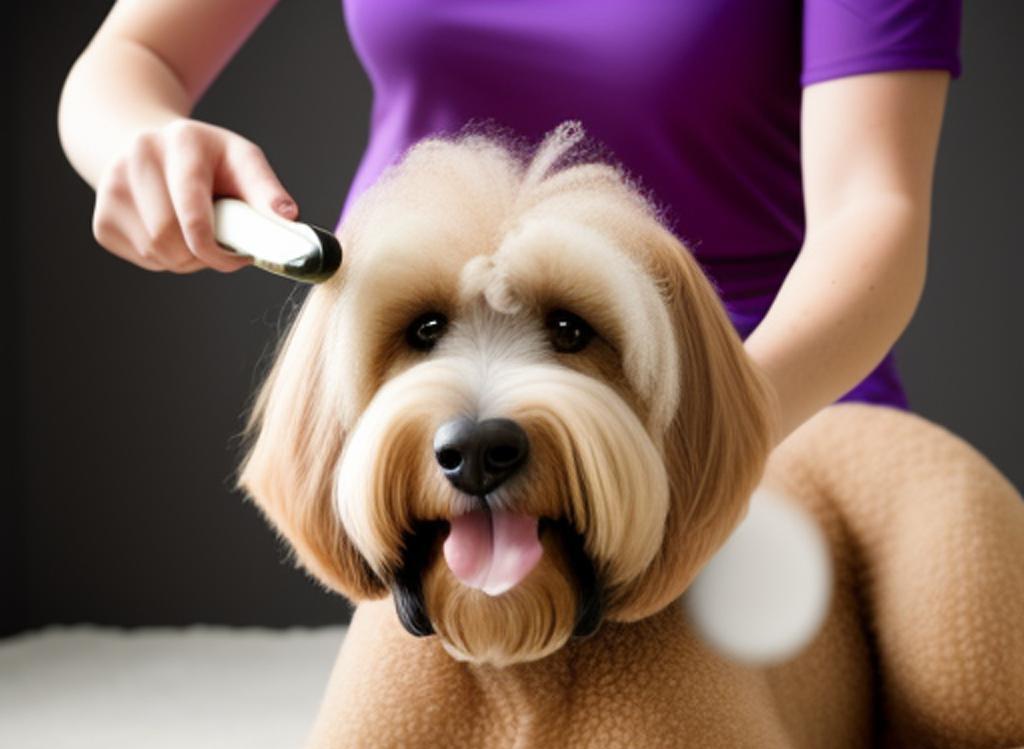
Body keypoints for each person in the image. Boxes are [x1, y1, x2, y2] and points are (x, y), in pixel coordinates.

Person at [58, 0, 961, 444]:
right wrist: (142, 144)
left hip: (767, 410)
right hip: (435, 414)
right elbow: (128, 61)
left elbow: (870, 209)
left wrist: (716, 439)